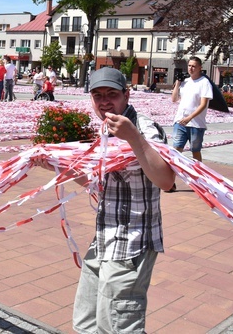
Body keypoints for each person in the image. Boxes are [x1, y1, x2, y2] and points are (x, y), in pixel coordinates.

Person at [67, 67, 175, 333]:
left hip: (132, 242)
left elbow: (166, 180)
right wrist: (58, 167)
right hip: (105, 237)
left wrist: (133, 138)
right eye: (97, 95)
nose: (104, 101)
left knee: (118, 326)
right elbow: (99, 186)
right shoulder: (106, 130)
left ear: (126, 95)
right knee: (86, 323)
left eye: (111, 94)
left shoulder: (143, 128)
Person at [171, 56, 212, 191]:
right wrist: (177, 83)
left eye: (194, 66)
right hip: (180, 122)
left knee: (195, 151)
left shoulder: (204, 83)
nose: (191, 68)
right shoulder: (185, 82)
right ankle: (171, 181)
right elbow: (174, 99)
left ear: (200, 68)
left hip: (196, 124)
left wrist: (189, 117)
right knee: (176, 151)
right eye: (189, 65)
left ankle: (200, 180)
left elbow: (203, 104)